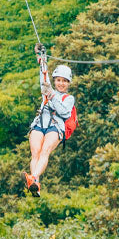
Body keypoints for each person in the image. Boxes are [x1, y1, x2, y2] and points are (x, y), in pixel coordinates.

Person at [25, 62, 74, 196]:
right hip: (40, 122)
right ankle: (35, 183)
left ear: (68, 83)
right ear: (55, 80)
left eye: (64, 81)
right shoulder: (47, 90)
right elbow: (43, 76)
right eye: (58, 80)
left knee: (45, 151)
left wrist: (52, 95)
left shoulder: (69, 98)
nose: (61, 83)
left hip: (56, 126)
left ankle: (33, 178)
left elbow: (63, 112)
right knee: (35, 152)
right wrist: (42, 57)